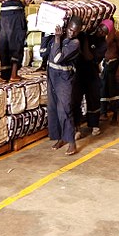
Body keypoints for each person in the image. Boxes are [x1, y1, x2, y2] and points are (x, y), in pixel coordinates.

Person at [40, 16, 82, 156]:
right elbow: (43, 52)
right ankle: (60, 138)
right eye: (70, 29)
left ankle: (71, 142)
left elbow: (58, 58)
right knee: (53, 108)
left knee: (64, 109)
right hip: (52, 74)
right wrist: (47, 34)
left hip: (64, 78)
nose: (72, 33)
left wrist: (57, 39)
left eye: (75, 31)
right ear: (67, 26)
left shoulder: (75, 43)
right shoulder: (58, 37)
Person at [72, 22, 108, 137]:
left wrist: (85, 40)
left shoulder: (103, 44)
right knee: (75, 99)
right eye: (101, 29)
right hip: (78, 72)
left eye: (104, 32)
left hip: (91, 73)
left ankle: (94, 125)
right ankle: (76, 127)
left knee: (93, 99)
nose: (101, 32)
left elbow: (89, 56)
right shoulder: (86, 34)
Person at [99, 19, 119, 125]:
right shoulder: (101, 33)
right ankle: (103, 113)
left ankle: (115, 116)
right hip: (105, 64)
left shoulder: (116, 34)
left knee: (114, 91)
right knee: (103, 89)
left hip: (115, 65)